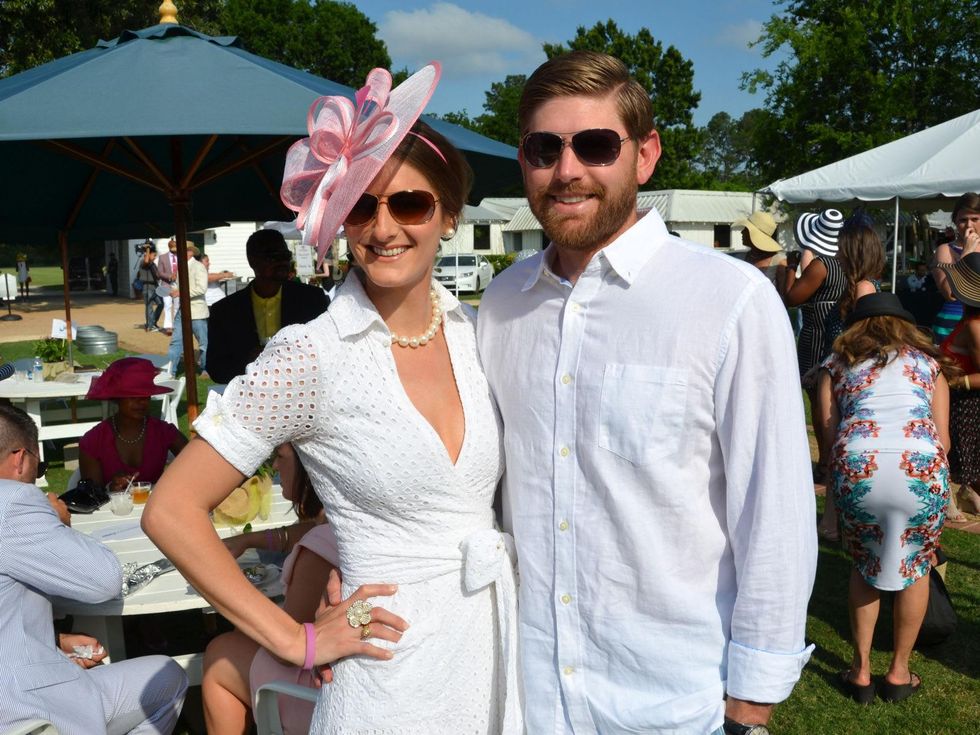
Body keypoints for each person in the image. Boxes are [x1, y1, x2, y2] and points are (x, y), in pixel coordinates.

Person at [144, 63, 521, 734]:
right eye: (360, 205)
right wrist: (295, 641)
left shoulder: (476, 331)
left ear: (449, 216)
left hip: (494, 656)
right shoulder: (311, 353)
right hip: (389, 677)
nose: (383, 227)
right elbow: (171, 510)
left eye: (409, 203)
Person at [476, 50, 815, 735]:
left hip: (672, 704)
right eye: (545, 148)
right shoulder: (503, 304)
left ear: (645, 154)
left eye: (596, 145)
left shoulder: (729, 302)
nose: (567, 169)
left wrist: (748, 707)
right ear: (524, 162)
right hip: (529, 700)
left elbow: (774, 515)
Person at [0, 403, 187, 734]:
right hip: (23, 710)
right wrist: (57, 523)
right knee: (169, 678)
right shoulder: (13, 502)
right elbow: (104, 581)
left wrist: (54, 639)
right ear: (20, 459)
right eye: (39, 467)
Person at [817, 292, 951, 703]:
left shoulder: (836, 366)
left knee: (864, 563)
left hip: (861, 465)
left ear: (855, 326)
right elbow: (943, 440)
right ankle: (898, 673)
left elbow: (828, 435)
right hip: (921, 463)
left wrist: (832, 510)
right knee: (914, 566)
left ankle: (860, 674)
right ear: (905, 326)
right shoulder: (929, 366)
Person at [203, 443, 336, 735]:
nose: (274, 467)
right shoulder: (345, 524)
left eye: (281, 457)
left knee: (218, 655)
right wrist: (251, 540)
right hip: (351, 673)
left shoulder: (318, 552)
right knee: (240, 638)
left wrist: (222, 585)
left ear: (309, 465)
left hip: (322, 697)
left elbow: (287, 647)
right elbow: (309, 530)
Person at [815, 219, 884, 539]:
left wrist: (832, 365)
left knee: (838, 447)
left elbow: (864, 340)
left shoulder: (863, 289)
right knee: (834, 449)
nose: (837, 253)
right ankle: (832, 520)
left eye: (842, 247)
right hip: (842, 374)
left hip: (849, 380)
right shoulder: (859, 285)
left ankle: (836, 521)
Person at [205, 229, 328, 384]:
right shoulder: (225, 311)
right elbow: (216, 370)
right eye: (273, 257)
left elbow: (329, 354)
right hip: (250, 400)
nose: (282, 262)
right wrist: (248, 362)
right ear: (252, 261)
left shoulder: (312, 300)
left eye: (285, 256)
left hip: (302, 395)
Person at [781, 208, 847, 477]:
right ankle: (831, 458)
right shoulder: (842, 262)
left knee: (818, 398)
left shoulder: (821, 265)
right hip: (836, 334)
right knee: (834, 401)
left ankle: (823, 461)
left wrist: (789, 269)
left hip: (816, 335)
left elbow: (793, 297)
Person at [79, 357, 187, 490]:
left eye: (146, 396)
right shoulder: (93, 440)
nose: (142, 402)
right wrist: (111, 488)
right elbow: (91, 494)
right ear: (117, 398)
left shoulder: (164, 431)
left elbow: (196, 464)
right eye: (133, 397)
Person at [938, 252, 980, 518]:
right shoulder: (968, 319)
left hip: (969, 411)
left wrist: (955, 382)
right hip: (961, 408)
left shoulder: (975, 325)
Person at [931, 192, 980, 343]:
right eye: (963, 220)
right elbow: (950, 293)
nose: (969, 225)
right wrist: (967, 252)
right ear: (955, 222)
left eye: (975, 219)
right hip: (952, 325)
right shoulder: (945, 250)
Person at [166, 242, 209, 377]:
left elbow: (202, 288)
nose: (176, 254)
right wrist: (173, 290)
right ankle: (170, 372)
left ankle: (206, 368)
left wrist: (180, 292)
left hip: (197, 312)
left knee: (203, 344)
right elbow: (178, 287)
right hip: (183, 310)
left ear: (190, 252)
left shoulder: (199, 267)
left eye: (178, 251)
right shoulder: (181, 267)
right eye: (175, 252)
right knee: (176, 342)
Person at [733, 210, 786, 286]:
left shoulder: (779, 262)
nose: (742, 232)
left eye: (746, 229)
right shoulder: (741, 257)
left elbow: (782, 295)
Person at [137, 241, 164, 332]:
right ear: (148, 255)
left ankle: (153, 322)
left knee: (161, 304)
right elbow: (146, 261)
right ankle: (150, 325)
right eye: (154, 255)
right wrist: (148, 248)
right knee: (149, 306)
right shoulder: (143, 261)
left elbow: (157, 275)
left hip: (155, 286)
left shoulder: (153, 264)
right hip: (147, 286)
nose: (155, 257)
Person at [155, 238, 180, 335]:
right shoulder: (162, 257)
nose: (174, 250)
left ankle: (177, 325)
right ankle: (168, 326)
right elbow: (159, 272)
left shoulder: (181, 256)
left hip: (178, 285)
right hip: (166, 284)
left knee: (177, 306)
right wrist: (169, 276)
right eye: (172, 248)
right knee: (168, 305)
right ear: (169, 247)